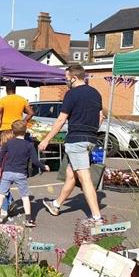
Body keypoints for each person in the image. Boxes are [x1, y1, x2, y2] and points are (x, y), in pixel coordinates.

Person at [39, 64, 104, 223]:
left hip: (76, 140)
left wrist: (47, 139)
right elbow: (101, 117)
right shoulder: (96, 93)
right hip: (90, 139)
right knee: (71, 175)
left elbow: (61, 119)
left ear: (74, 78)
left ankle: (97, 218)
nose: (65, 81)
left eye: (66, 79)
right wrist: (92, 131)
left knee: (84, 178)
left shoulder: (72, 94)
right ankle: (56, 205)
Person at [0, 120, 49, 227]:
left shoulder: (8, 143)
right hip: (20, 173)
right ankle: (29, 219)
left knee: (1, 194)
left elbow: (0, 156)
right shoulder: (29, 145)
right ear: (25, 131)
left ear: (13, 132)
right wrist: (44, 167)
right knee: (24, 196)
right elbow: (35, 161)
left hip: (7, 172)